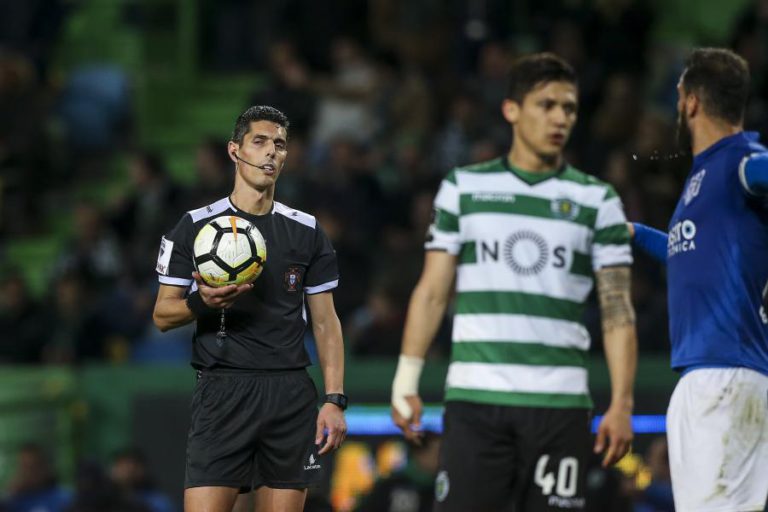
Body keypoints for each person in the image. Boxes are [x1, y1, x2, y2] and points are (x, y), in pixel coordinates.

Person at [390, 53, 638, 512]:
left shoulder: (597, 199)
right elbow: (431, 291)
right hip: (475, 401)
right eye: (546, 105)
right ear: (511, 110)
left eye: (569, 108)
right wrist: (406, 380)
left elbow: (618, 308)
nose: (560, 118)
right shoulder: (463, 189)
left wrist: (622, 402)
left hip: (560, 406)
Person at [152, 105, 348, 512]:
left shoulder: (307, 231)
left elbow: (326, 322)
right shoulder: (193, 227)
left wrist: (334, 399)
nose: (270, 153)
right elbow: (162, 315)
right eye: (259, 142)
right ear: (234, 150)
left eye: (279, 145)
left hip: (289, 394)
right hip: (222, 391)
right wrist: (199, 302)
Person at [629, 48, 768, 512]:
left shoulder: (740, 161)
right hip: (709, 373)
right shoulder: (705, 178)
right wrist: (630, 233)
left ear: (689, 101)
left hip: (724, 373)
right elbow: (687, 254)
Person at [353, 431, 441, 512]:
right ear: (419, 454)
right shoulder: (389, 486)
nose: (441, 459)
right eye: (436, 453)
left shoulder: (442, 486)